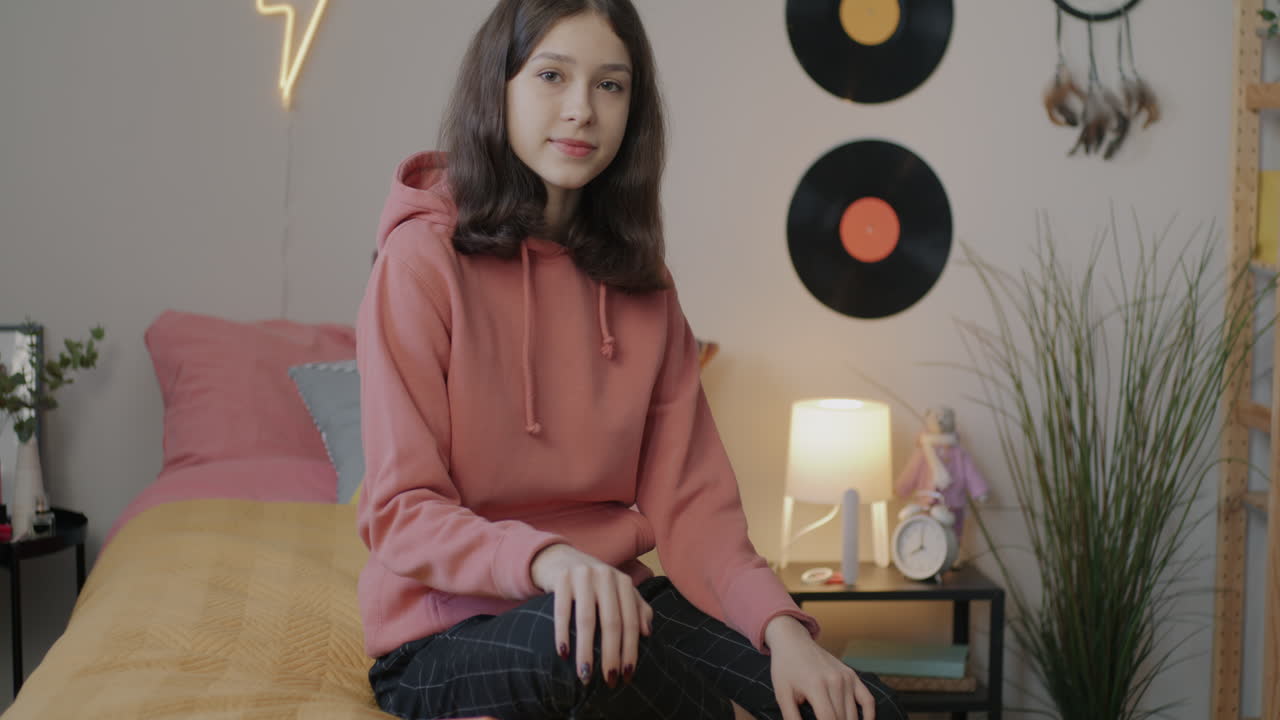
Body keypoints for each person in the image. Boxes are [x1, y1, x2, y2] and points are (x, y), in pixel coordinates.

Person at [355, 2, 905, 718]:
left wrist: (785, 633)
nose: (582, 109)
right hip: (447, 631)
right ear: (500, 88)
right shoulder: (420, 261)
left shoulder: (642, 285)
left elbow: (697, 510)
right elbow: (402, 510)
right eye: (553, 75)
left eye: (611, 85)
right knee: (592, 641)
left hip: (619, 602)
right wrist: (548, 561)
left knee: (857, 705)